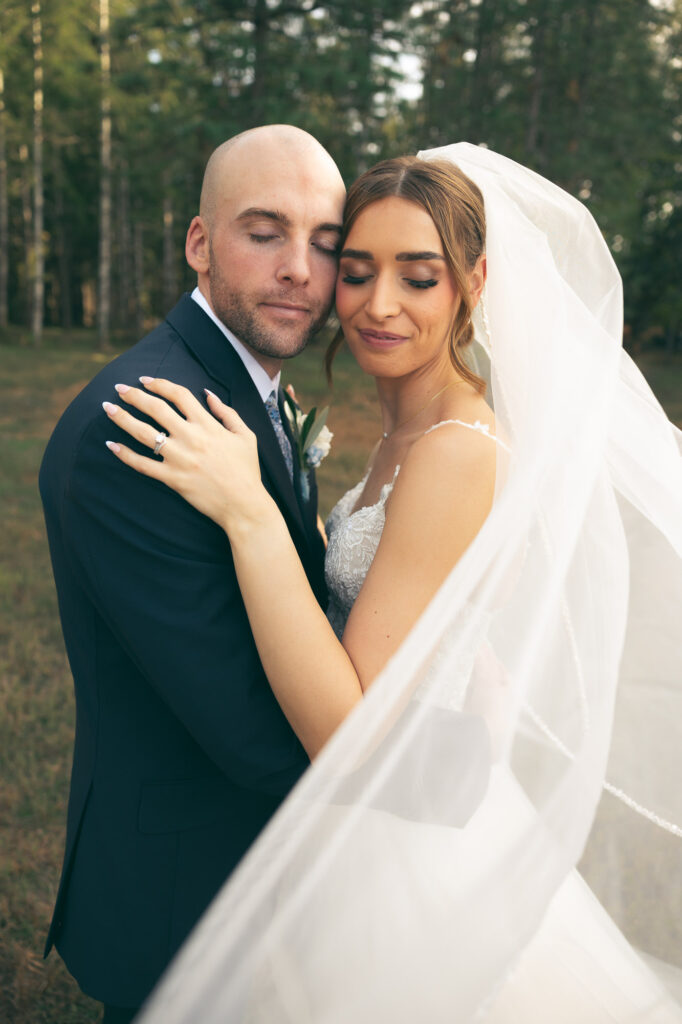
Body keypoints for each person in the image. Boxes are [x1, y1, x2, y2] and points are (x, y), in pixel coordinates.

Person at [106, 146, 682, 1021]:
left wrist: (250, 511)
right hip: (392, 811)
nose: (378, 306)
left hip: (395, 848)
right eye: (360, 271)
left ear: (473, 284)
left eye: (419, 278)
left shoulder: (453, 449)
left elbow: (349, 728)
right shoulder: (406, 436)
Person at [38, 124, 346, 1023]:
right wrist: (438, 770)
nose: (300, 268)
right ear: (200, 244)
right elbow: (255, 731)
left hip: (260, 876)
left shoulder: (250, 386)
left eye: (326, 243)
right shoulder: (137, 422)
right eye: (265, 231)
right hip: (187, 899)